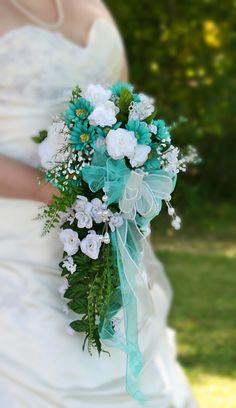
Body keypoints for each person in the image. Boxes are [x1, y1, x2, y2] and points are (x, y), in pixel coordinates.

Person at [0, 1, 197, 407]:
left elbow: (123, 106)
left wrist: (129, 188)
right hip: (16, 242)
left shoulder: (93, 6)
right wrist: (47, 190)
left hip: (104, 237)